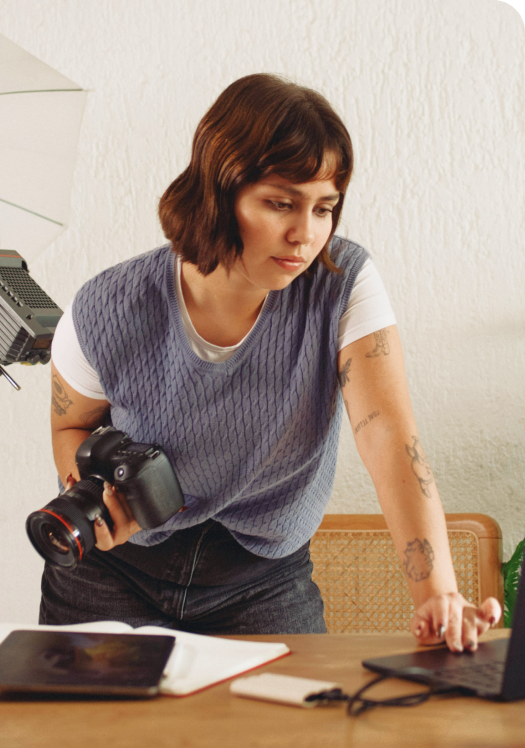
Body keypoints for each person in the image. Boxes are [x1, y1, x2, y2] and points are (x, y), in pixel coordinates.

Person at [43, 73, 501, 650]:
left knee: (292, 736)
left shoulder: (341, 284)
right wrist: (96, 499)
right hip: (112, 576)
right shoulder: (107, 306)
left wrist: (436, 593)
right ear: (217, 191)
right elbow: (72, 424)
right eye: (280, 203)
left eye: (323, 208)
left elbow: (387, 433)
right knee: (82, 738)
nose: (304, 235)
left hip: (261, 580)